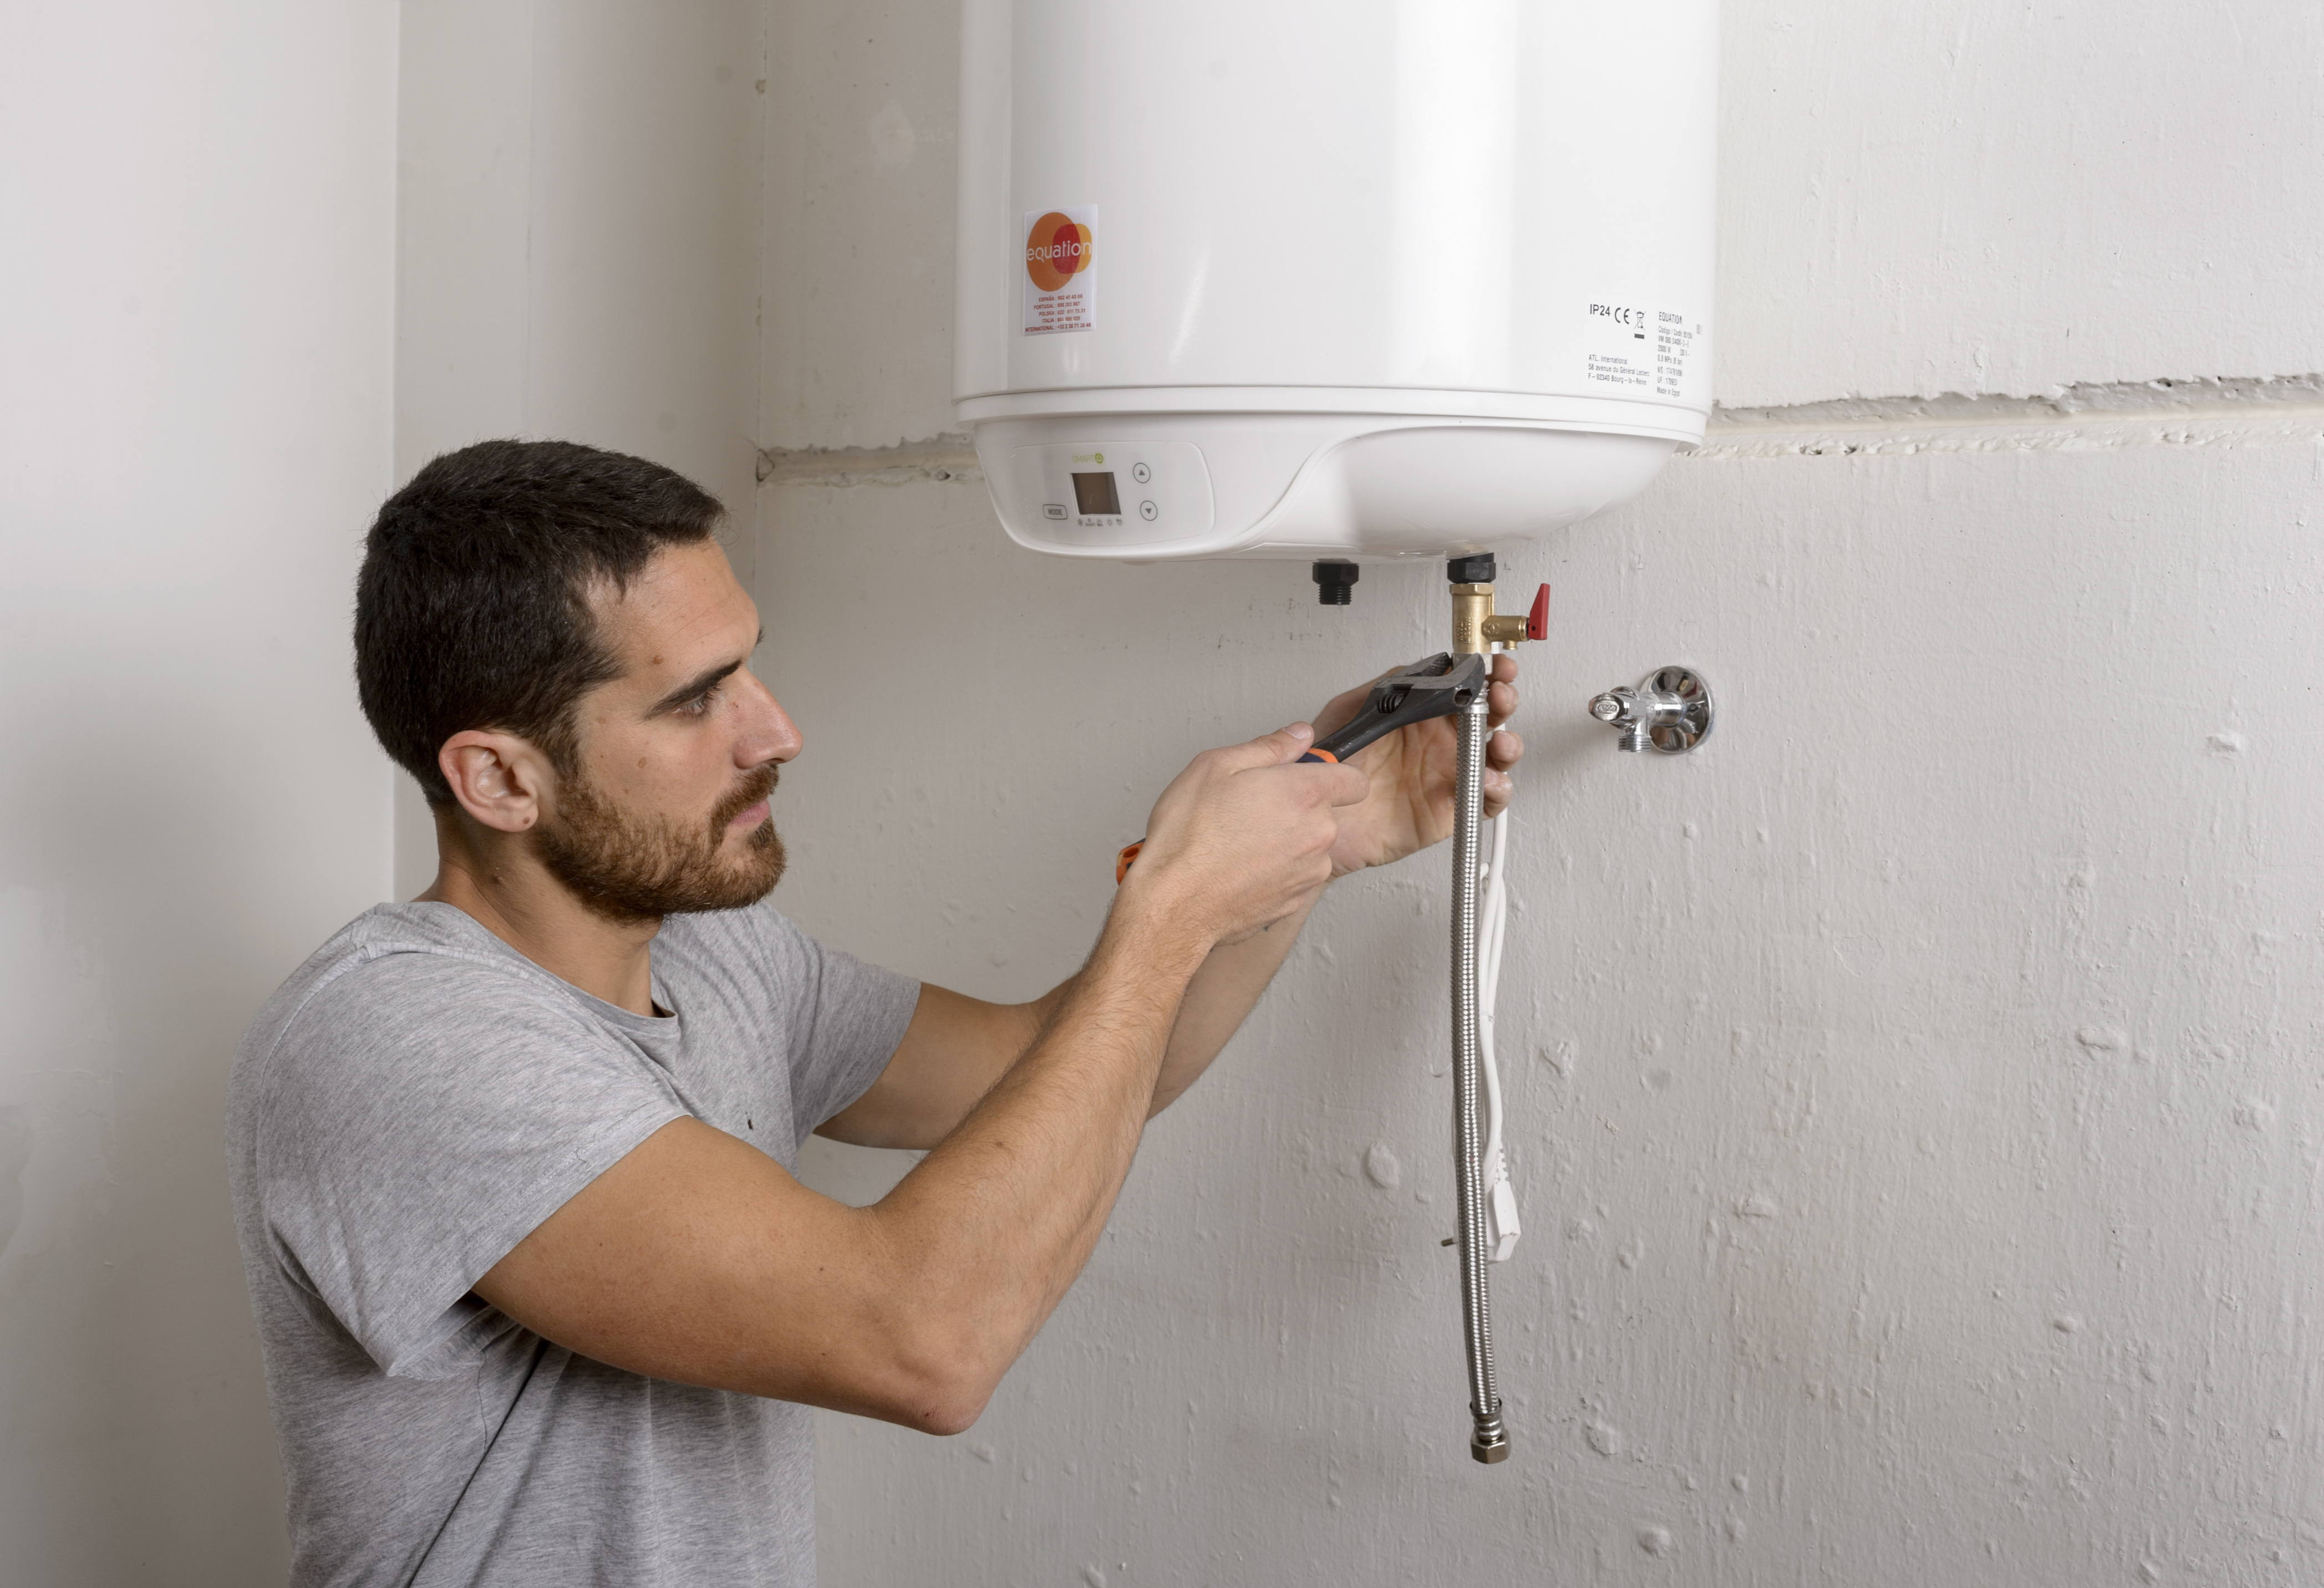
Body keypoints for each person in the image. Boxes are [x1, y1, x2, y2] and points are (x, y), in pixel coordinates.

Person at [226, 439, 1524, 1585]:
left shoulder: (724, 958)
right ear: (501, 778)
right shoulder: (400, 1039)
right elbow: (923, 1339)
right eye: (694, 699)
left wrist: (1306, 849)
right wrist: (1170, 906)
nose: (775, 731)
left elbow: (1063, 1068)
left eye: (752, 669)